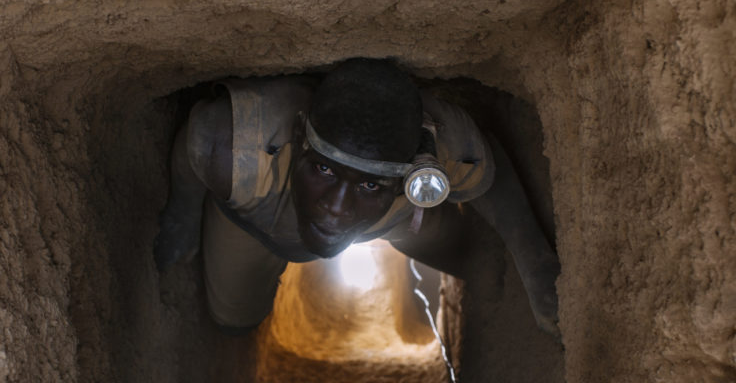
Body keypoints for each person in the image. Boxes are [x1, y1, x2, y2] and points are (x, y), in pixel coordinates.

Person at [154, 58, 561, 341]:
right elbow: (196, 141)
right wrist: (182, 212)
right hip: (257, 226)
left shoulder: (445, 147)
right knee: (232, 319)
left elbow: (490, 175)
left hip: (391, 218)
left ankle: (479, 272)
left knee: (462, 248)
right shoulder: (238, 147)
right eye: (324, 170)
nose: (336, 205)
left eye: (368, 185)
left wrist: (535, 264)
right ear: (299, 139)